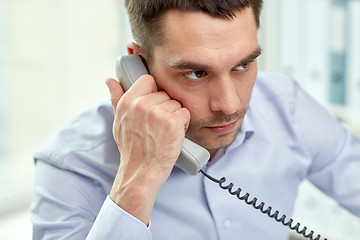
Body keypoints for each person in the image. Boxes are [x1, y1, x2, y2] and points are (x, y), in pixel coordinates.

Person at [31, 0, 360, 239]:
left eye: (242, 65)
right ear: (139, 67)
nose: (229, 104)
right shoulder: (70, 163)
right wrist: (139, 177)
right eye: (196, 72)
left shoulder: (286, 106)